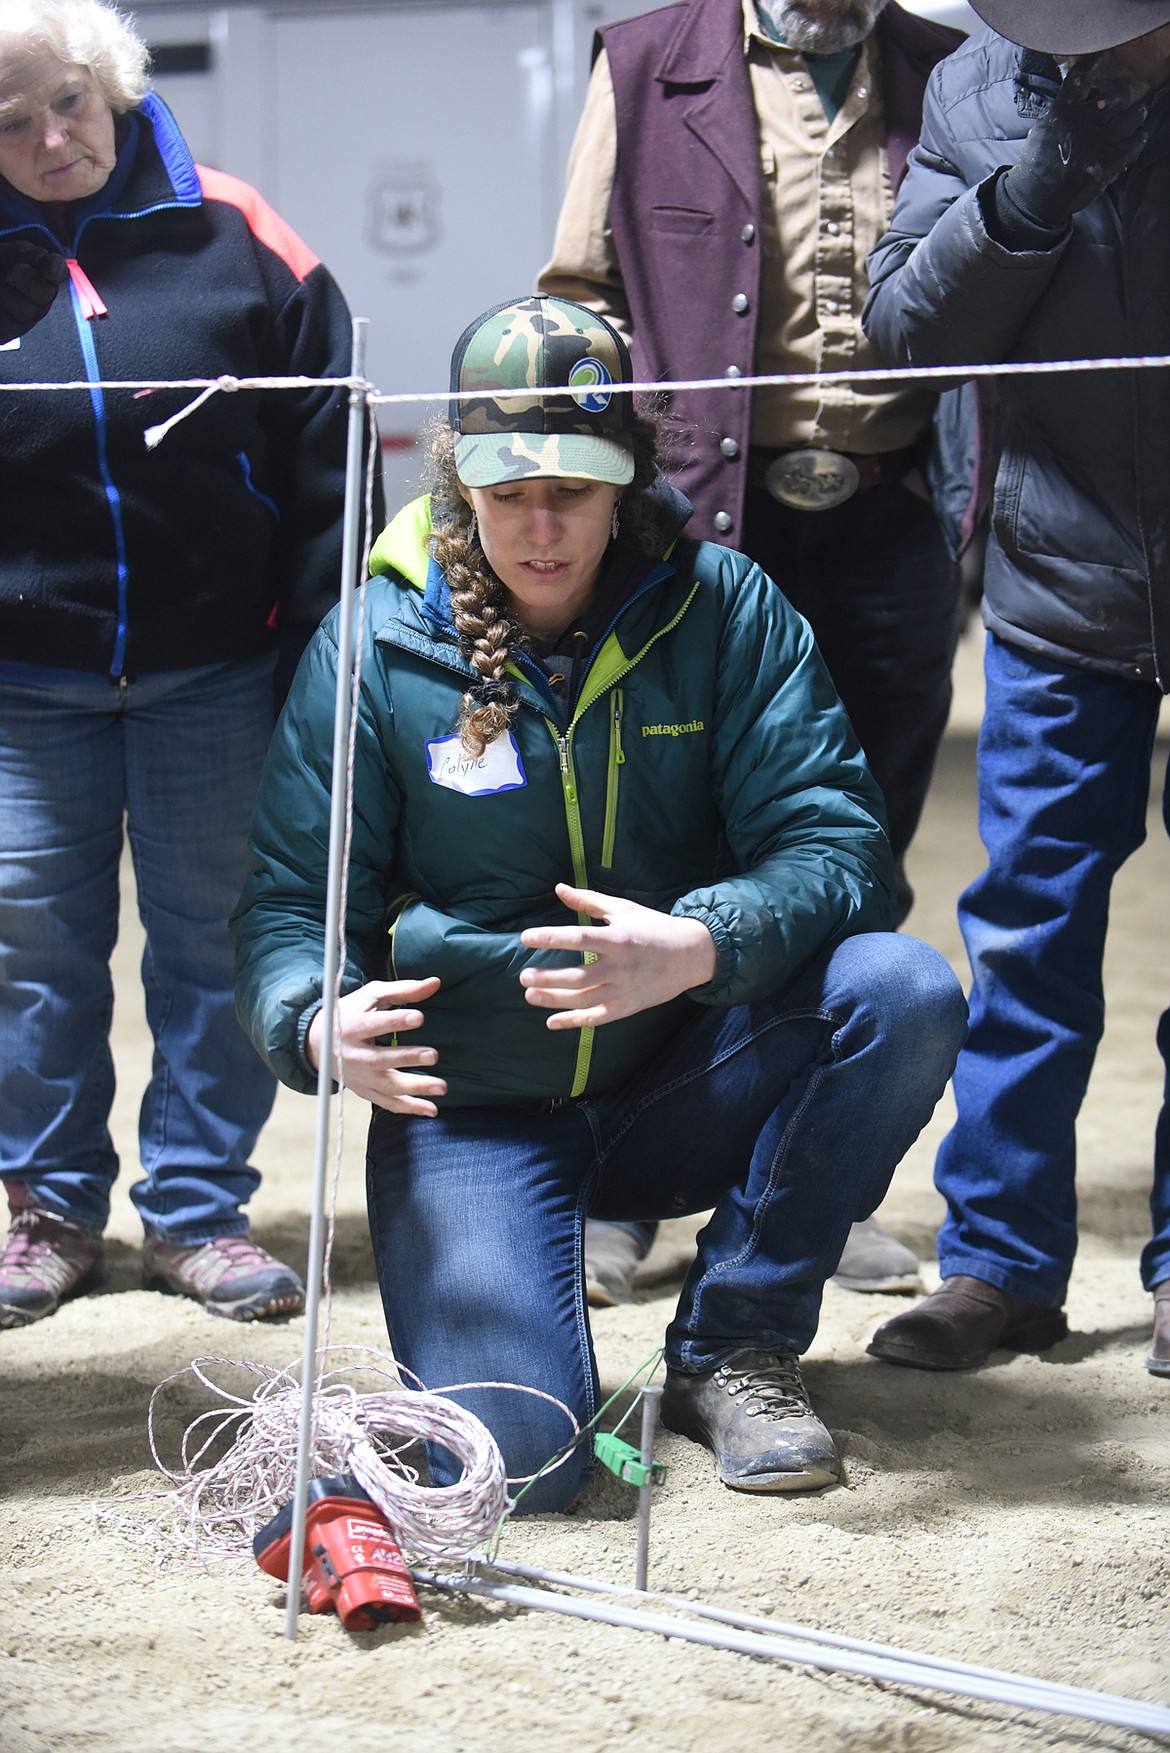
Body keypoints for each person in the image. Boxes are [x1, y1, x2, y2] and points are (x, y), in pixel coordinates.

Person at [233, 294, 966, 1509]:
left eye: (572, 492)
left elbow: (840, 847)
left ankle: (734, 1340)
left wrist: (698, 945)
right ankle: (527, 1312)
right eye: (510, 493)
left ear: (625, 480)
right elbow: (289, 903)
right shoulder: (371, 643)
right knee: (518, 1466)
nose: (541, 528)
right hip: (473, 1107)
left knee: (901, 989)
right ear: (459, 480)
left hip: (686, 1066)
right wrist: (314, 1017)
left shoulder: (727, 608)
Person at [538, 0, 972, 1302]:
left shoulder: (934, 66)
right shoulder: (644, 57)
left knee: (857, 859)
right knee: (668, 850)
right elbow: (576, 296)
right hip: (703, 519)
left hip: (893, 518)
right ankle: (620, 1188)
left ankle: (814, 1185)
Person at [0, 0, 381, 1328]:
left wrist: (329, 651)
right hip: (22, 690)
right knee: (33, 951)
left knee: (214, 948)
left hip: (220, 669)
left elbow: (336, 448)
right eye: (12, 122)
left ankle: (199, 1208)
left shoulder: (236, 230)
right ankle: (47, 1209)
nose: (57, 138)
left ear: (109, 84)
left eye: (71, 101)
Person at [859, 0, 1170, 1378]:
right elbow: (904, 328)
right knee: (1028, 934)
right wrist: (1047, 170)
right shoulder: (979, 90)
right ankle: (997, 1264)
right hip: (1057, 585)